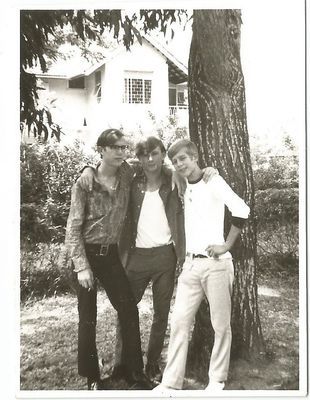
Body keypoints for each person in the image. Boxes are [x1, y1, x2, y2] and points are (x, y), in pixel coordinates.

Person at [79, 136, 218, 385]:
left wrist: (209, 170)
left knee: (161, 314)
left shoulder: (174, 179)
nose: (150, 159)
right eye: (144, 155)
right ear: (139, 157)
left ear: (163, 154)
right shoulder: (132, 179)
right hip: (136, 257)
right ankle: (123, 365)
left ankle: (152, 363)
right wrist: (87, 168)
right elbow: (108, 165)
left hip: (166, 256)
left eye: (155, 154)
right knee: (126, 311)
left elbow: (197, 175)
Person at [153, 139, 250, 393]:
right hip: (190, 266)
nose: (179, 164)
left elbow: (241, 209)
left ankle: (216, 381)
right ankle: (170, 383)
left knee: (221, 325)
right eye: (175, 161)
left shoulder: (213, 181)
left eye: (183, 159)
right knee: (179, 322)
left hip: (216, 265)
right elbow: (161, 169)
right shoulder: (182, 182)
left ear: (195, 157)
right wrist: (175, 170)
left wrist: (226, 245)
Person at [65, 128, 152, 390]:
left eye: (124, 147)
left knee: (128, 308)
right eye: (115, 147)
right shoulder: (85, 182)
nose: (121, 152)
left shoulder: (127, 172)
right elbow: (73, 227)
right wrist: (81, 267)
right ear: (101, 149)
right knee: (87, 316)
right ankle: (92, 377)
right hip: (86, 256)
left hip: (111, 254)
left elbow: (155, 162)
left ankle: (135, 372)